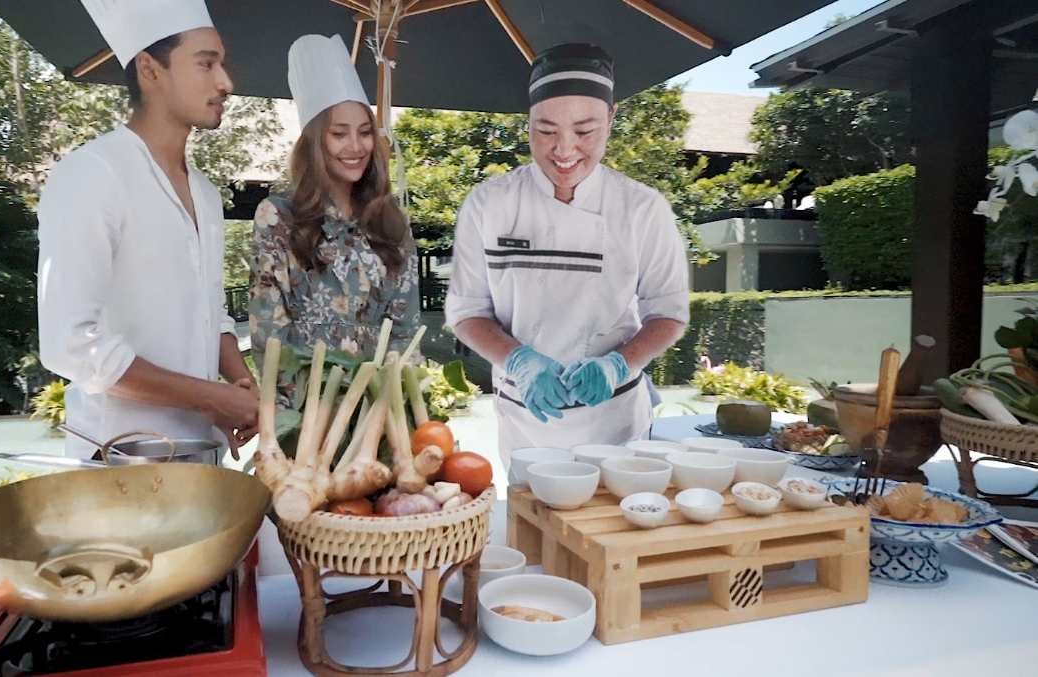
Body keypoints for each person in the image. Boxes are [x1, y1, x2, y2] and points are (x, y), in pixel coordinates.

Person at [445, 43, 689, 466]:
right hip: (524, 421)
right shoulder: (488, 204)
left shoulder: (642, 208)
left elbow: (668, 315)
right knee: (532, 529)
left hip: (615, 424)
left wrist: (617, 365)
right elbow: (467, 312)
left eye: (585, 131)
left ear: (611, 119)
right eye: (545, 130)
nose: (564, 149)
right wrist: (517, 360)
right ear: (528, 124)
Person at [38, 0, 258, 459]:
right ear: (149, 70)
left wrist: (240, 383)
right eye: (206, 64)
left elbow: (209, 312)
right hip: (118, 460)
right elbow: (70, 344)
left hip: (202, 454)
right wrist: (212, 397)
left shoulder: (205, 193)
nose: (226, 82)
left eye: (222, 64)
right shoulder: (93, 174)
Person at [248, 34, 419, 406]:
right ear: (315, 141)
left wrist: (402, 407)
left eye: (364, 133)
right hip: (304, 410)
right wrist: (291, 416)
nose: (355, 147)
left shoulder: (392, 224)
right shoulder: (279, 216)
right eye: (339, 134)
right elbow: (269, 331)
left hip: (378, 410)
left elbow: (404, 331)